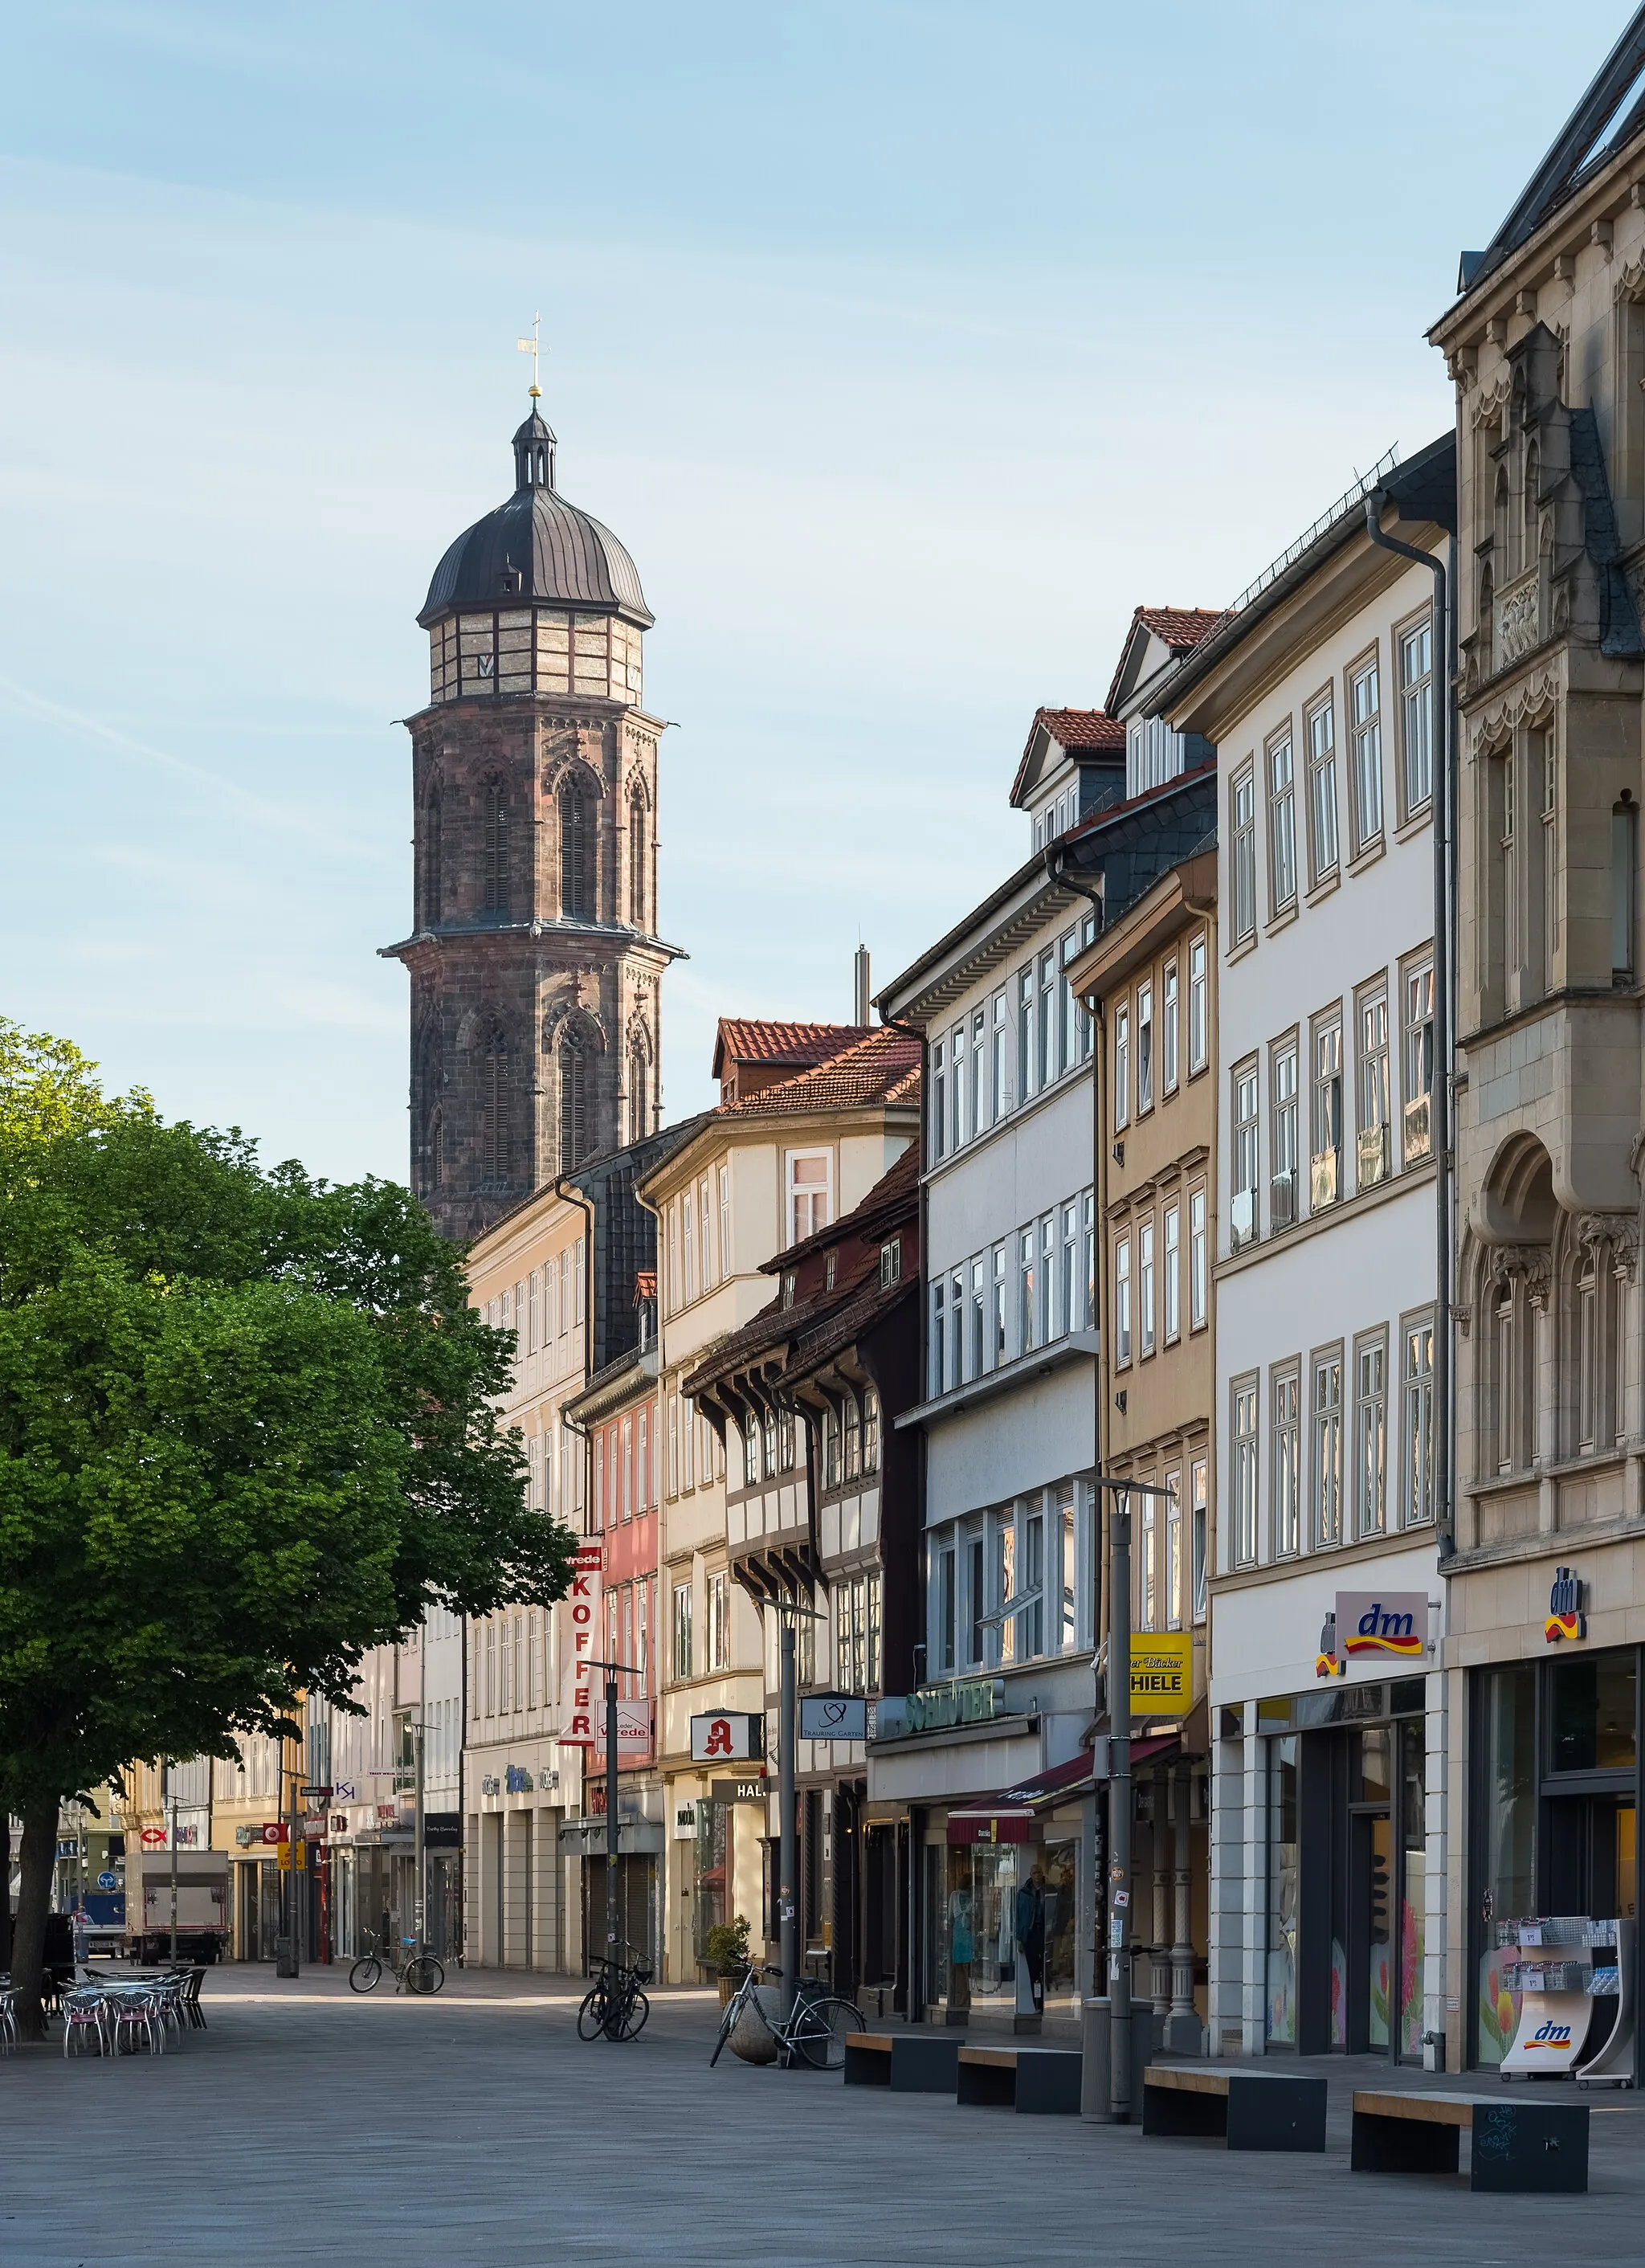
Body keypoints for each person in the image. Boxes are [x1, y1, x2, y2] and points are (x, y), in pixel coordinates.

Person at [1014, 1864, 1047, 2012]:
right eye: (1035, 1872)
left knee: (1045, 1970)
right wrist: (1020, 1938)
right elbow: (1019, 1917)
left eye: (1039, 1872)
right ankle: (1038, 2003)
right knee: (1034, 1973)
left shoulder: (1049, 1890)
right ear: (1030, 1874)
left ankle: (1046, 2002)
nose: (1038, 1875)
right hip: (1031, 1934)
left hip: (1046, 1933)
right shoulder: (1024, 1893)